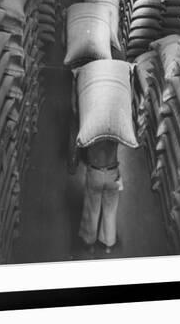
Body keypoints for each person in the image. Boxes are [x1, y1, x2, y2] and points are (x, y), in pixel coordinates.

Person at [68, 78, 123, 255]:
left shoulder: (91, 125)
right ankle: (108, 244)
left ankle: (89, 242)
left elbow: (76, 112)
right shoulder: (116, 125)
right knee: (110, 210)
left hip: (95, 172)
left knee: (92, 208)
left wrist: (75, 85)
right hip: (113, 172)